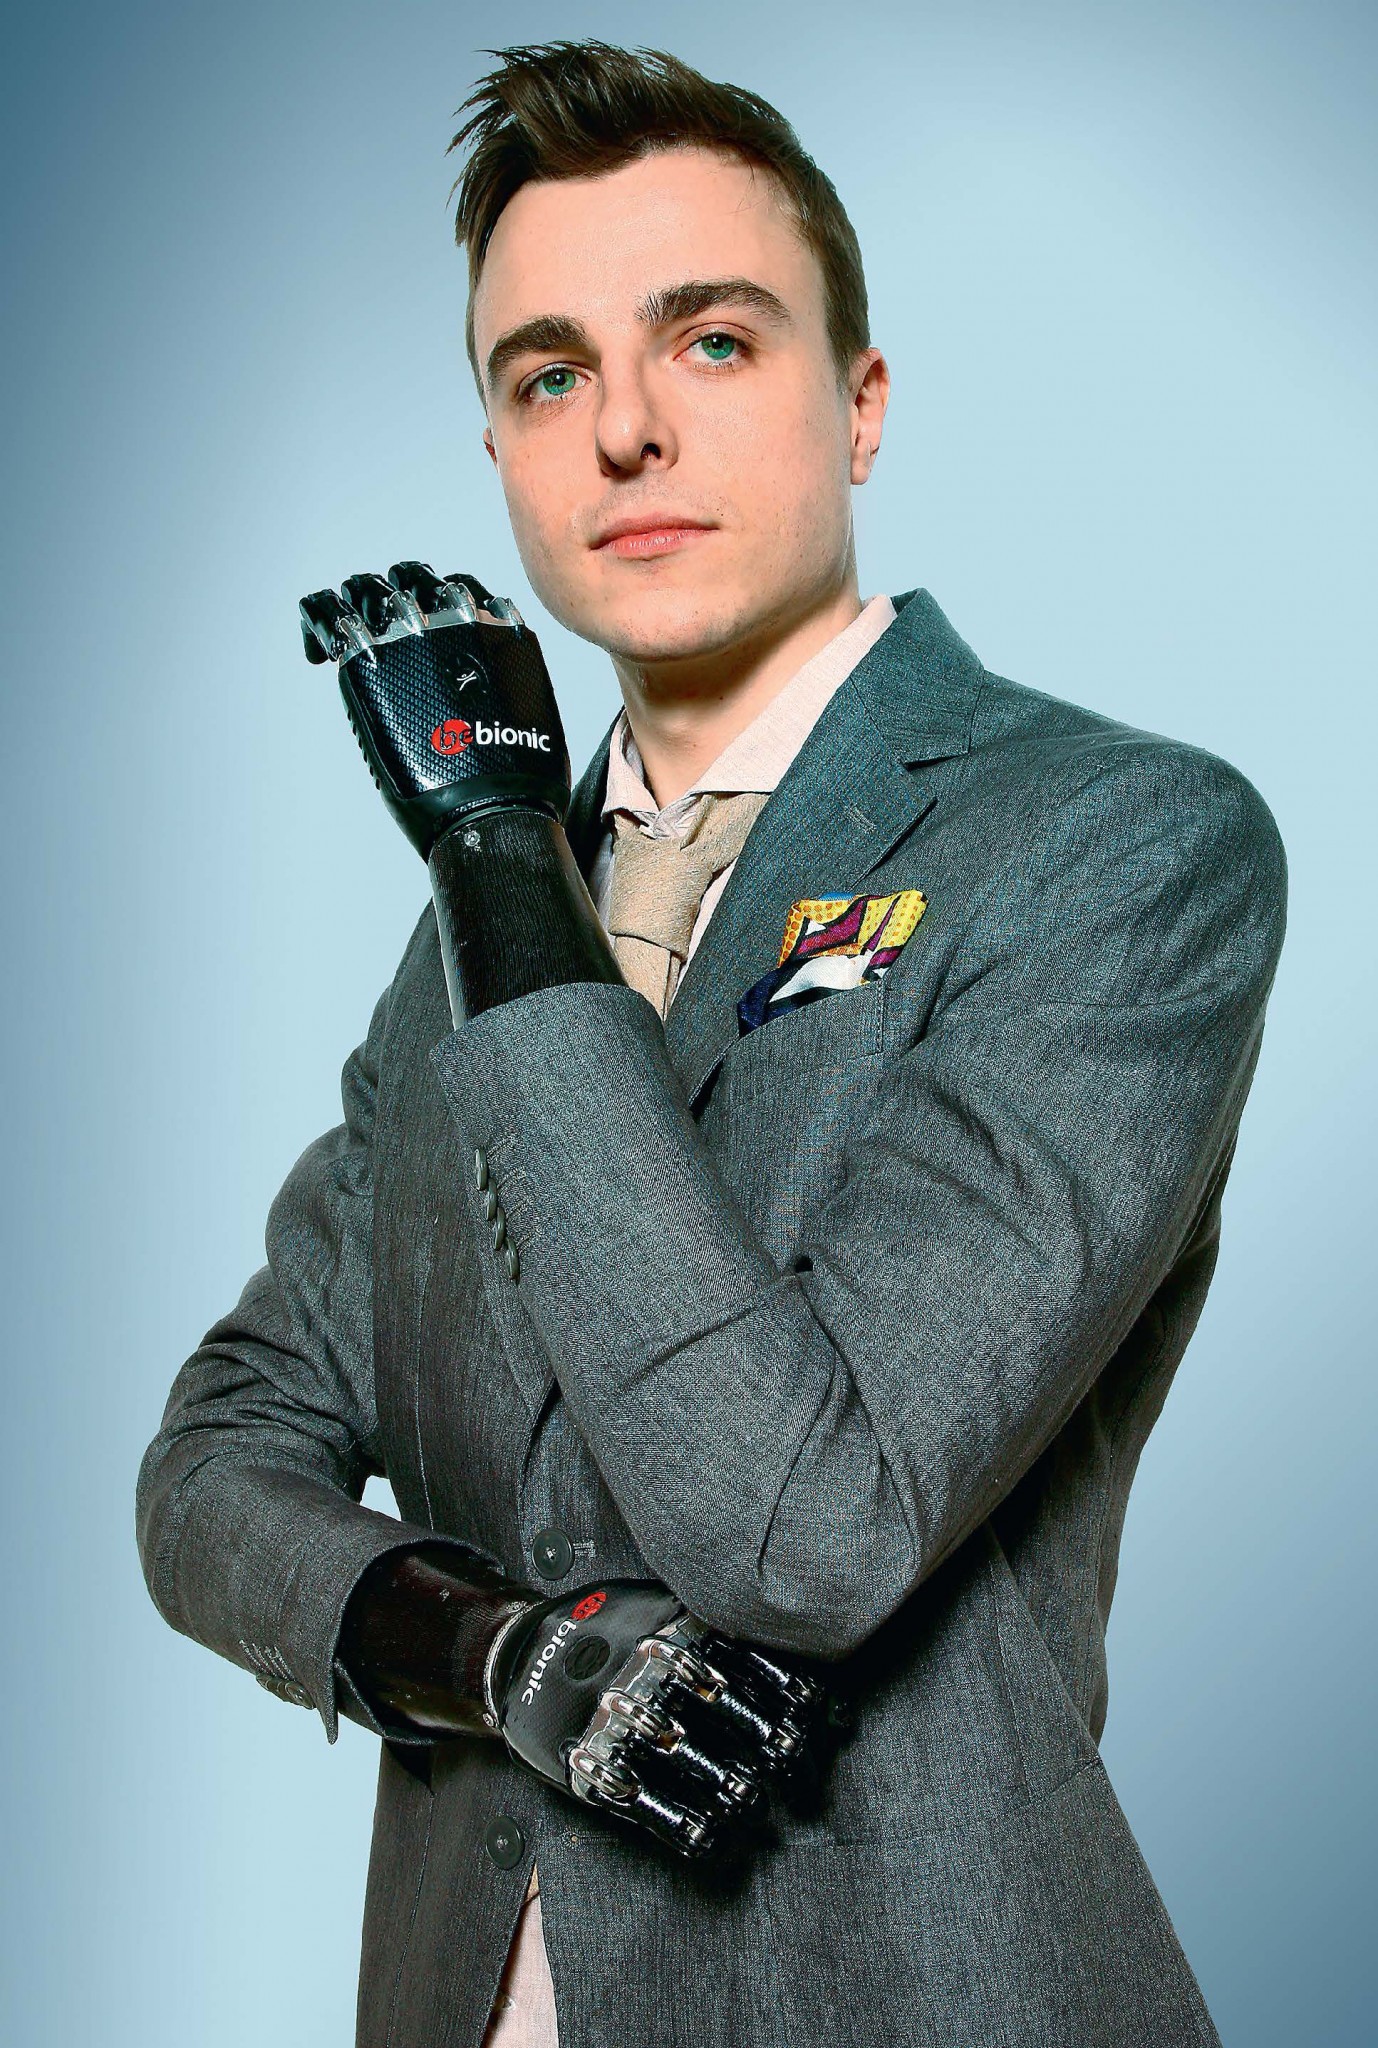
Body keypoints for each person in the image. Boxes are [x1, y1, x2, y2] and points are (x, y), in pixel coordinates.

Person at [136, 39, 1287, 2048]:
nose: (624, 431)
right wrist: (486, 1652)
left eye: (714, 341)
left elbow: (801, 1528)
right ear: (498, 449)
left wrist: (492, 856)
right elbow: (220, 1456)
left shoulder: (1117, 845)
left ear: (861, 400)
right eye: (547, 375)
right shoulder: (468, 954)